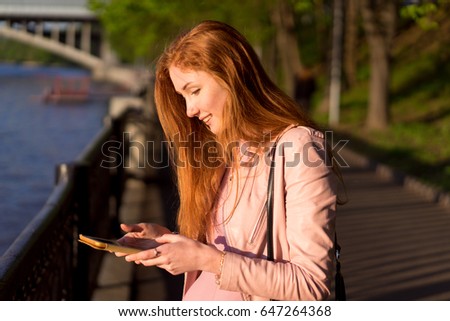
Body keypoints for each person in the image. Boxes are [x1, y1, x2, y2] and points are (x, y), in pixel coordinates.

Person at [114, 20, 344, 301]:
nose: (189, 111)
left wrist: (208, 260)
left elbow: (311, 287)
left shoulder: (298, 147)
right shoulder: (224, 152)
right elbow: (230, 247)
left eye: (194, 90)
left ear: (231, 76)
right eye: (182, 96)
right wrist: (171, 243)